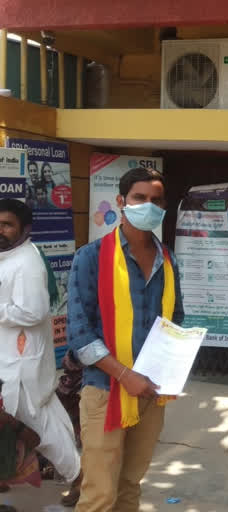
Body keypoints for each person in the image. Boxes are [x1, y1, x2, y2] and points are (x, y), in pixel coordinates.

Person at [67, 168, 184, 511]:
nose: (148, 205)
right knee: (100, 494)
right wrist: (123, 375)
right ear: (121, 201)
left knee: (130, 486)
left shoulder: (168, 260)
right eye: (139, 198)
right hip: (105, 390)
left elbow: (175, 319)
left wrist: (174, 362)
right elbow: (79, 333)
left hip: (150, 391)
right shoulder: (91, 257)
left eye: (156, 200)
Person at [0, 199, 81, 505]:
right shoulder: (9, 256)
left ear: (24, 228)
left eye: (7, 224)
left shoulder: (27, 262)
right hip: (7, 357)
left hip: (21, 362)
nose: (1, 230)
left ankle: (79, 475)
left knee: (39, 424)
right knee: (38, 418)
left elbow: (32, 312)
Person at [0, 379, 42, 493]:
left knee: (13, 433)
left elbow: (35, 441)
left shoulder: (7, 419)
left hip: (9, 468)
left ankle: (4, 477)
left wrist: (12, 422)